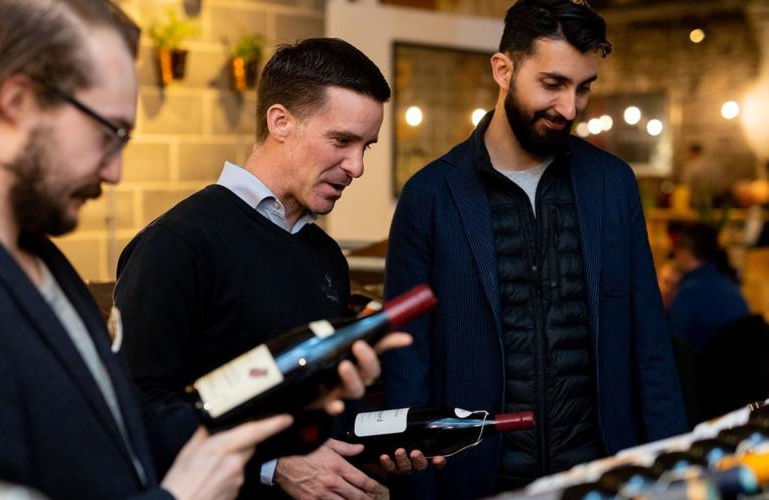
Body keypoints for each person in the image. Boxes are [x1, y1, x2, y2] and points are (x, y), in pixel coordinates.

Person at [0, 2, 379, 499]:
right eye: (107, 132)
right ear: (17, 102)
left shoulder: (41, 262)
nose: (115, 172)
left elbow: (111, 432)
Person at [382, 0, 688, 497]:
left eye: (583, 88)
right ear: (503, 70)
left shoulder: (613, 185)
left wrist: (675, 476)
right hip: (477, 481)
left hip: (604, 477)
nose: (570, 108)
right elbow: (407, 362)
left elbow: (650, 345)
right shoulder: (430, 196)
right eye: (553, 84)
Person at [114, 38, 426, 499]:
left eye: (367, 146)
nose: (357, 166)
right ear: (280, 121)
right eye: (341, 141)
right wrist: (272, 464)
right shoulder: (178, 242)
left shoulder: (326, 257)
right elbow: (137, 408)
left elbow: (313, 410)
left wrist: (378, 448)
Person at [670, 222, 749, 356]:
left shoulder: (688, 294)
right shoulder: (732, 288)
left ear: (685, 252)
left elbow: (675, 348)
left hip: (707, 366)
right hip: (742, 365)